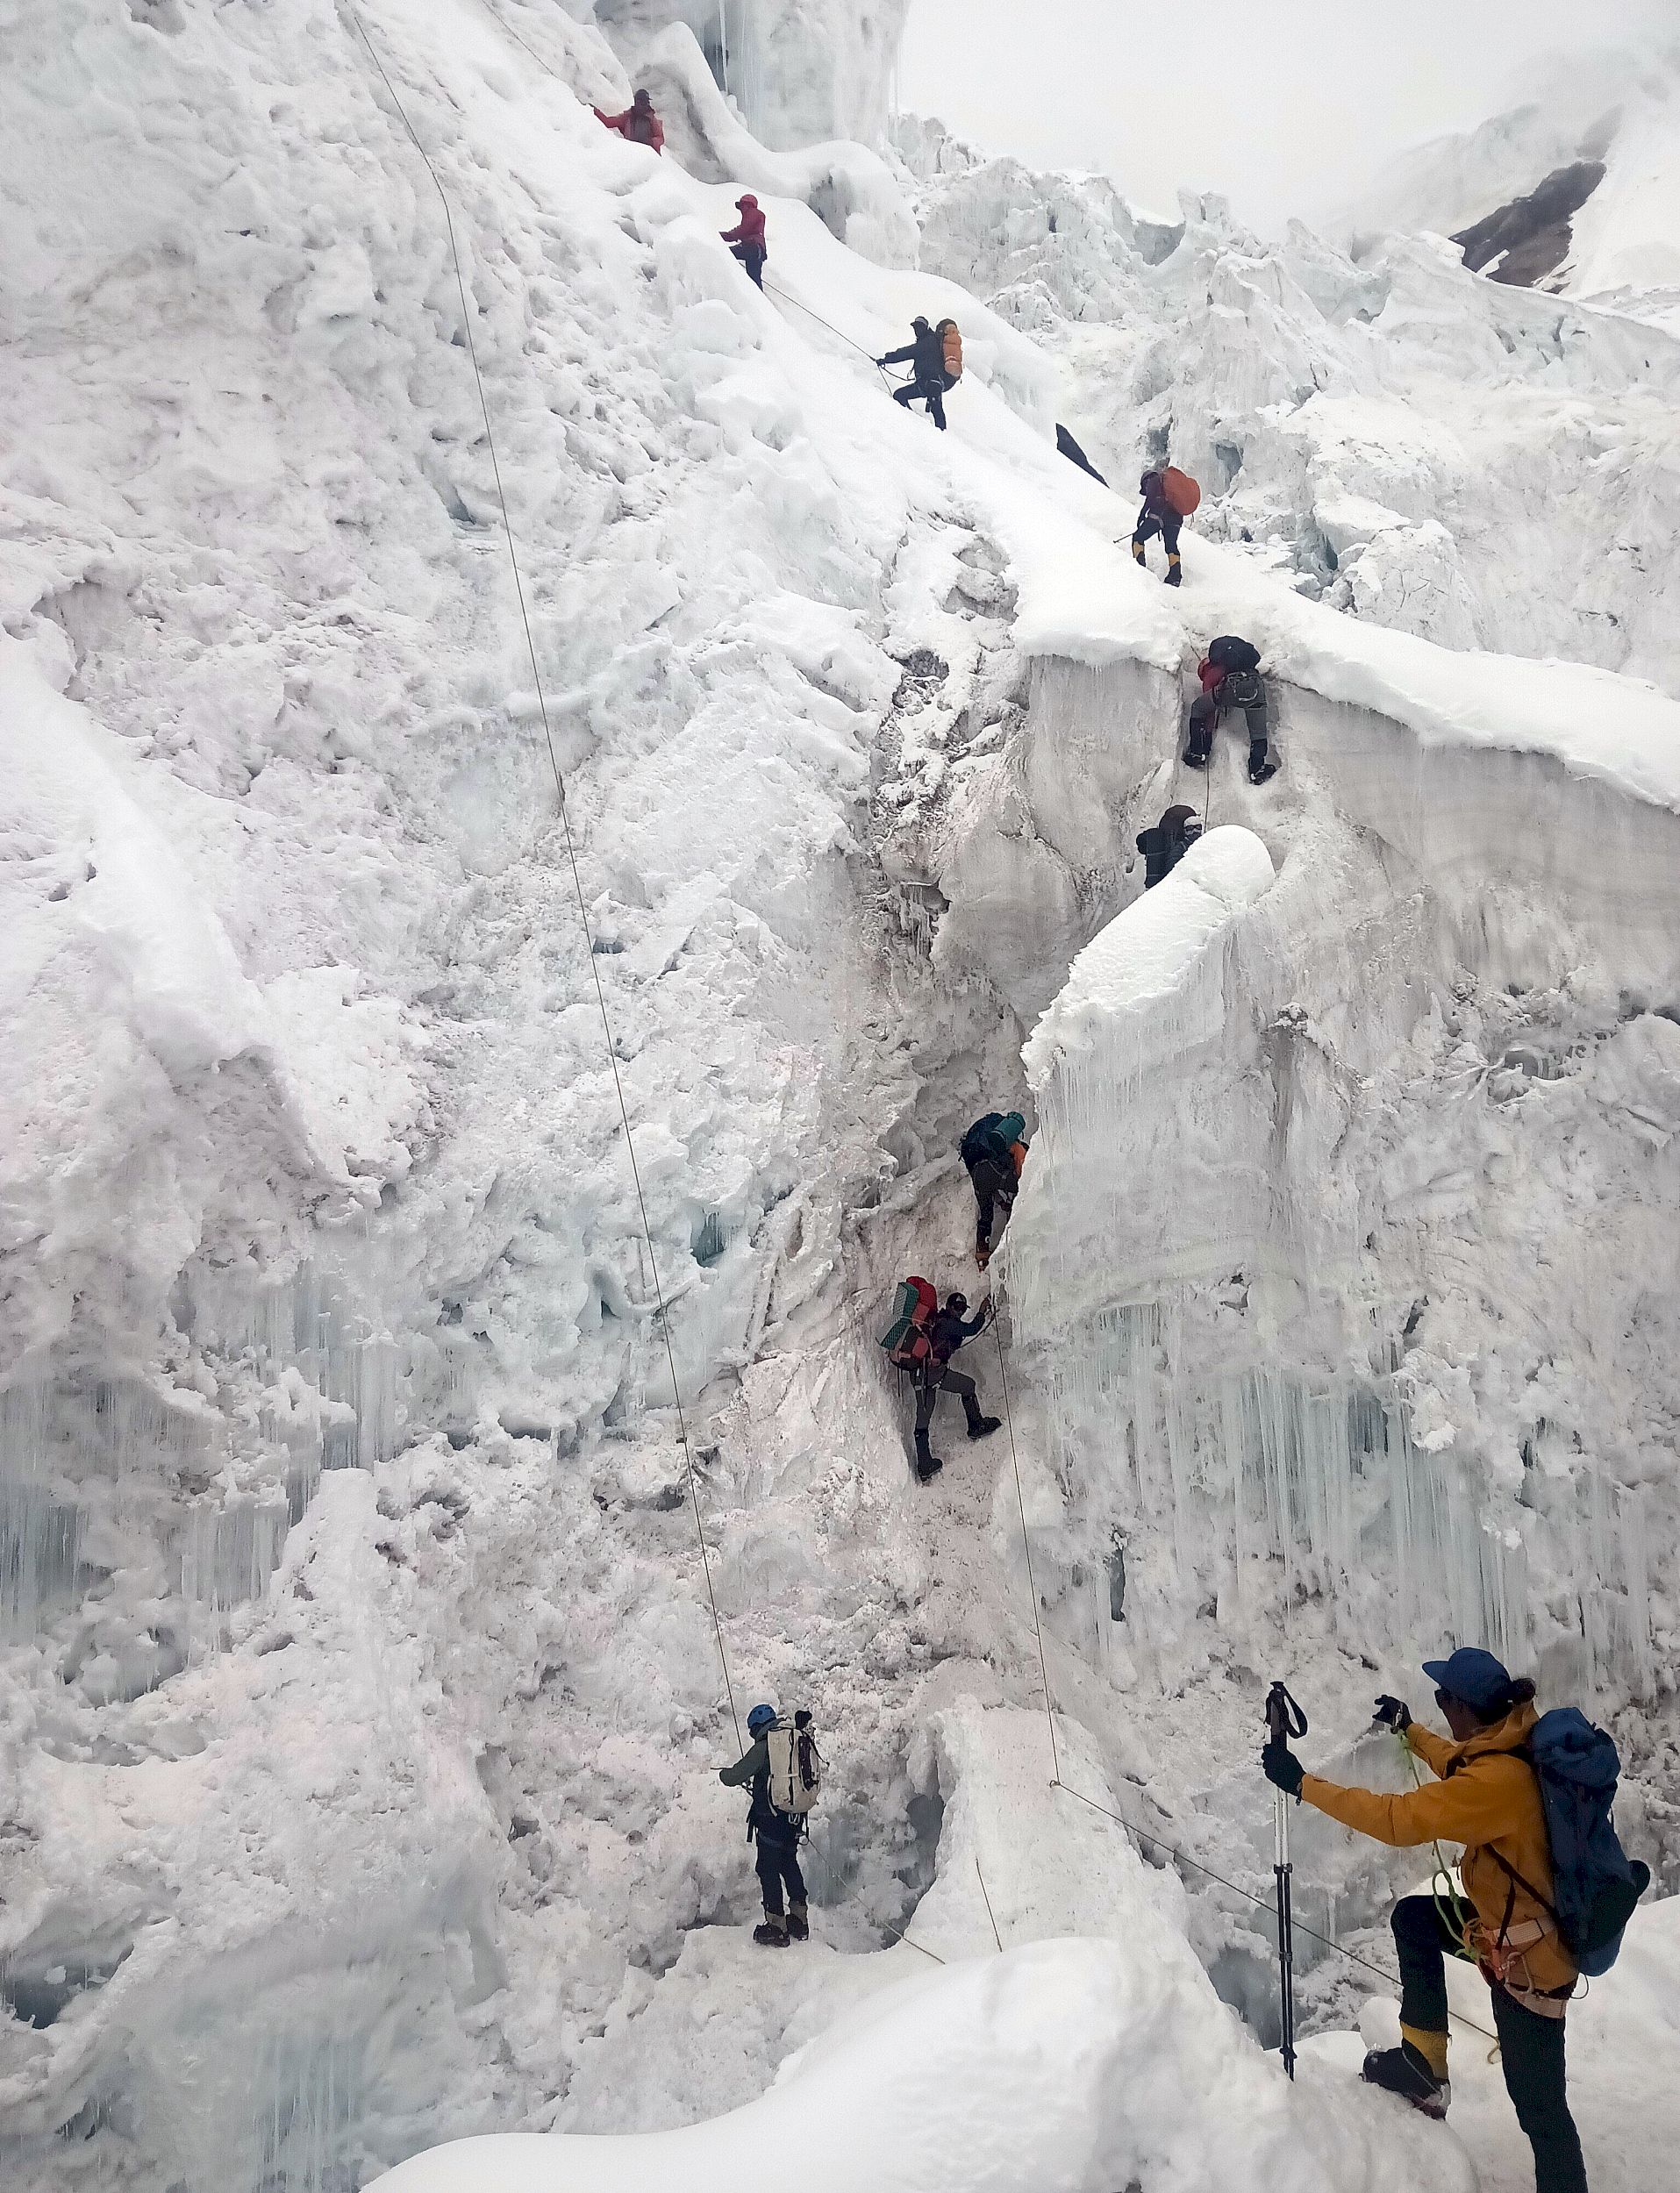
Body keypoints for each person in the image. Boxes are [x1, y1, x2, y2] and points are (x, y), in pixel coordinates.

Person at [1262, 1648, 1586, 2193]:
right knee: (1416, 1917)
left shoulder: (1499, 1785)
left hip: (1533, 1962)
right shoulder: (1512, 1740)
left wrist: (1304, 1784)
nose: (1441, 1709)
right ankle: (1423, 2066)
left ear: (1464, 1707)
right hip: (1508, 1926)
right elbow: (1460, 1763)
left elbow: (1399, 1819)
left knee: (1541, 2109)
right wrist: (1411, 1729)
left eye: (1443, 1700)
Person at [720, 1704, 809, 1948]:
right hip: (793, 1818)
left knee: (767, 1869)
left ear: (757, 1727)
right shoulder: (793, 1741)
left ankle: (776, 1926)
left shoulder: (764, 1747)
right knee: (789, 1863)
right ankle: (800, 1920)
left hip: (771, 1821)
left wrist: (723, 1774)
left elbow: (734, 1776)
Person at [911, 1291, 1001, 1481]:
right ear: (950, 1307)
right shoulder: (948, 1323)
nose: (959, 1312)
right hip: (933, 1374)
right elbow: (971, 1329)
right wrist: (983, 1310)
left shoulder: (939, 1320)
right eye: (958, 1308)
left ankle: (925, 1464)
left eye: (962, 1309)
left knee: (923, 1416)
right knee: (968, 1385)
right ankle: (976, 1426)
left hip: (920, 1373)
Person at [1186, 638, 1276, 784]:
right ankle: (1257, 770)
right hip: (1256, 686)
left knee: (1198, 707)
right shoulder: (1237, 659)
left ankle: (1196, 752)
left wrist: (1207, 739)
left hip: (1233, 687)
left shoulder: (1212, 671)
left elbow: (1208, 708)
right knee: (1258, 733)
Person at [960, 1112, 1028, 1268]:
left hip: (978, 1171)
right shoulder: (1015, 1151)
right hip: (986, 1172)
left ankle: (982, 1254)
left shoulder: (998, 1148)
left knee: (986, 1214)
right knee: (1019, 1190)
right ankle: (991, 1253)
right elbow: (1019, 1182)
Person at [878, 318, 948, 430]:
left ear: (925, 328)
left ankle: (920, 425)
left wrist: (886, 359)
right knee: (937, 410)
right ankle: (939, 433)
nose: (916, 330)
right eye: (915, 327)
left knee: (900, 395)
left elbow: (907, 352)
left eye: (918, 327)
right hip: (930, 384)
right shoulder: (929, 341)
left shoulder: (928, 342)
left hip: (930, 384)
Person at [1132, 469, 1183, 587]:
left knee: (1138, 537)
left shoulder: (1153, 479)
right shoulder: (1166, 484)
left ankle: (1138, 567)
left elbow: (1150, 498)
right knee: (1171, 546)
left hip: (1159, 515)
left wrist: (1142, 515)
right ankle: (1175, 577)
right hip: (1176, 519)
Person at [1135, 803, 1203, 889]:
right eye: (1190, 829)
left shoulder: (1158, 838)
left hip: (1154, 887)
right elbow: (1171, 873)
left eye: (1198, 827)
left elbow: (1141, 846)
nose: (1195, 831)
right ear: (1184, 830)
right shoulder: (1181, 848)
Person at [593, 89, 664, 154]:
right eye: (643, 102)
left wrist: (652, 142)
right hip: (631, 153)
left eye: (647, 102)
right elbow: (608, 122)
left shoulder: (651, 119)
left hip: (648, 156)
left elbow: (660, 138)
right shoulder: (627, 117)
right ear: (636, 102)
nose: (646, 105)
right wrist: (594, 110)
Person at [720, 193, 767, 289]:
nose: (741, 209)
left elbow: (742, 230)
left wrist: (719, 236)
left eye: (742, 206)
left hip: (751, 246)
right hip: (758, 251)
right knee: (754, 279)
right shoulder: (757, 215)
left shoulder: (752, 213)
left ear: (748, 205)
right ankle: (759, 300)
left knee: (724, 253)